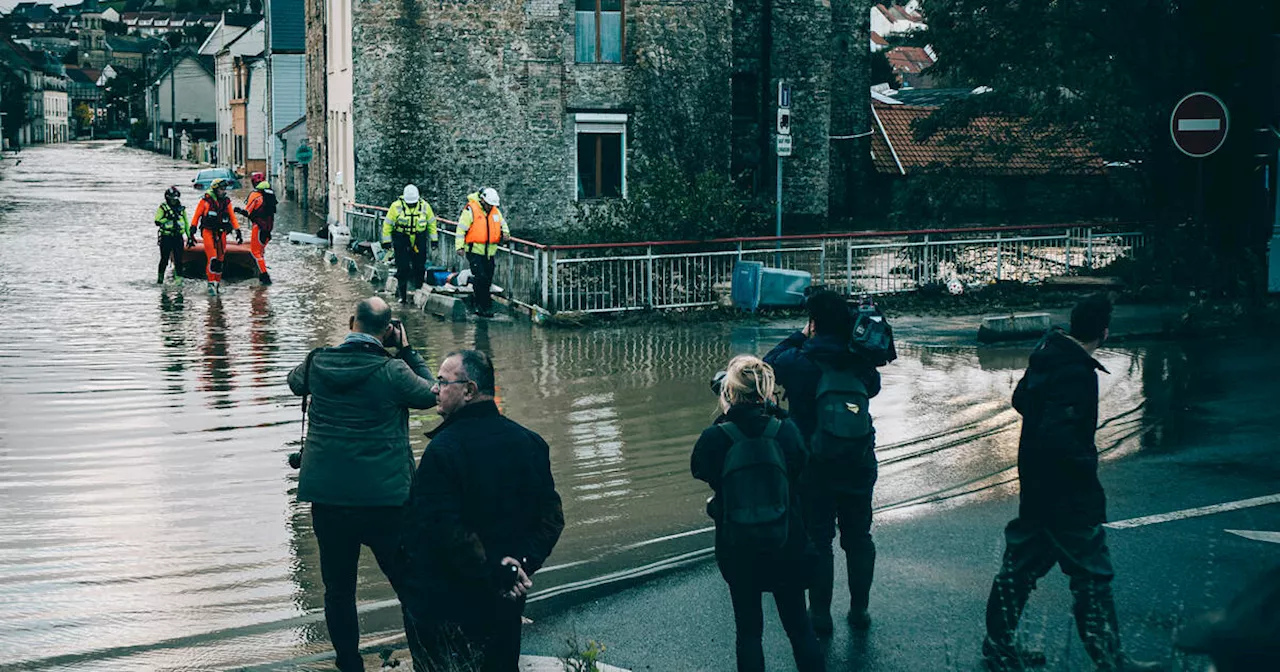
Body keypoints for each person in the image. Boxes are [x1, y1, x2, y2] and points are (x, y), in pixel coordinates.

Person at [981, 294, 1162, 672]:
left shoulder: (1048, 355)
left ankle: (997, 648)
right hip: (1066, 494)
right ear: (1105, 332)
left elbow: (1021, 401)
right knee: (1091, 575)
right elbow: (1060, 436)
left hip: (1036, 485)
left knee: (1020, 567)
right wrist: (1085, 476)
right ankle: (1111, 662)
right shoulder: (1075, 372)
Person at [286, 297, 438, 672]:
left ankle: (350, 665)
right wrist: (407, 350)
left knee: (338, 592)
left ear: (352, 321)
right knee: (410, 586)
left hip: (329, 502)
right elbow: (432, 393)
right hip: (385, 503)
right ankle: (427, 659)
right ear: (387, 330)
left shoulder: (317, 363)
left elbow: (293, 382)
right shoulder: (393, 372)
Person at [400, 350, 564, 672]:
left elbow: (442, 531)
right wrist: (520, 566)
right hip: (506, 598)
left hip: (451, 600)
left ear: (469, 390)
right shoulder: (530, 442)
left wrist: (495, 571)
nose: (435, 389)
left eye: (443, 382)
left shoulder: (443, 452)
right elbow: (551, 518)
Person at [692, 355, 825, 672]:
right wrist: (775, 413)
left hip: (738, 546)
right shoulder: (787, 431)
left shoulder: (716, 437)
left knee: (749, 633)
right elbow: (802, 467)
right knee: (799, 628)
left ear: (729, 392)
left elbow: (700, 469)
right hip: (786, 541)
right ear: (767, 392)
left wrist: (724, 419)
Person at [764, 289, 882, 635]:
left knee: (819, 539)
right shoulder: (859, 360)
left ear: (814, 323)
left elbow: (768, 362)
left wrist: (802, 334)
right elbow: (873, 388)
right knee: (859, 537)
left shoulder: (798, 362)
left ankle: (820, 617)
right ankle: (859, 611)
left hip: (812, 465)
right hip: (859, 460)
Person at [454, 188, 508, 317]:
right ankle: (480, 306)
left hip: (489, 252)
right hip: (475, 251)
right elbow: (461, 229)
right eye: (489, 204)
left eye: (492, 205)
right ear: (483, 200)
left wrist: (506, 233)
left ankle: (484, 305)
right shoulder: (470, 210)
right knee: (481, 278)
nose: (491, 207)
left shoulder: (495, 211)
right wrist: (459, 247)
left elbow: (503, 224)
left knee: (488, 278)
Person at [383, 184, 438, 304]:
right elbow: (387, 224)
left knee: (419, 267)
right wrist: (386, 242)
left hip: (419, 238)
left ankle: (418, 292)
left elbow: (432, 223)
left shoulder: (425, 206)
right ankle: (402, 295)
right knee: (403, 268)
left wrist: (434, 240)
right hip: (401, 238)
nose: (411, 204)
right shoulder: (396, 206)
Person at [190, 177, 241, 295]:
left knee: (220, 260)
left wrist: (238, 230)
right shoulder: (205, 201)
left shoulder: (226, 202)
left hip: (222, 232)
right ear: (215, 189)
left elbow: (232, 217)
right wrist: (192, 229)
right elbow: (197, 215)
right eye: (221, 189)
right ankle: (211, 282)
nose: (224, 191)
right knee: (212, 259)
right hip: (208, 232)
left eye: (224, 189)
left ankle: (217, 283)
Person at [236, 171, 277, 285]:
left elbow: (247, 212)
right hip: (268, 228)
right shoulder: (269, 193)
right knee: (261, 252)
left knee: (255, 253)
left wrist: (237, 211)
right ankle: (261, 272)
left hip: (258, 227)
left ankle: (264, 276)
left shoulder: (255, 195)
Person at [154, 185, 193, 285]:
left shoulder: (181, 209)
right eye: (172, 199)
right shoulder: (163, 208)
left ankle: (178, 281)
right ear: (168, 198)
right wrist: (168, 217)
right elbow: (157, 221)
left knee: (179, 260)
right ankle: (160, 280)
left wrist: (190, 237)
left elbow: (186, 223)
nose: (174, 201)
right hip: (166, 237)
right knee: (164, 259)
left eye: (175, 199)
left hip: (178, 237)